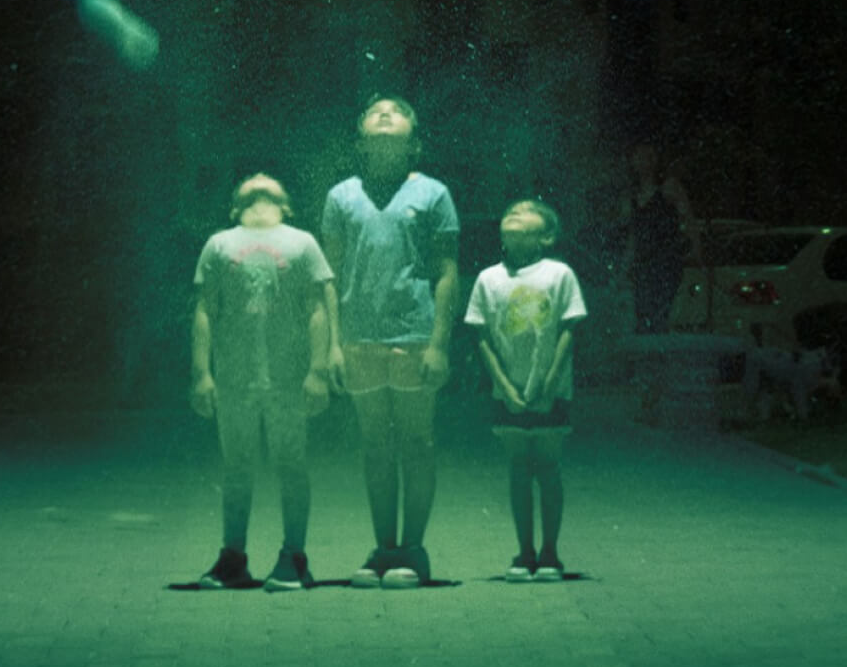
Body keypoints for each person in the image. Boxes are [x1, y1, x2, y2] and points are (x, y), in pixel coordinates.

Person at [320, 95, 459, 588]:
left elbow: (446, 271)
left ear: (414, 142)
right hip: (359, 340)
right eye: (375, 111)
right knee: (375, 445)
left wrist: (440, 342)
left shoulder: (433, 193)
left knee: (416, 443)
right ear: (360, 140)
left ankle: (413, 550)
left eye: (398, 111)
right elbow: (329, 276)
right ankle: (384, 548)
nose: (385, 112)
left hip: (414, 336)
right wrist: (331, 345)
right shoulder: (341, 197)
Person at [190, 174, 336, 591]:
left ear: (287, 205)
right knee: (237, 468)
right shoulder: (219, 243)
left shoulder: (302, 242)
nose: (258, 182)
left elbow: (317, 309)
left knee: (291, 465)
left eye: (269, 185)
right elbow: (204, 309)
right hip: (235, 378)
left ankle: (295, 556)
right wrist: (202, 373)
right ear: (233, 207)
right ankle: (232, 557)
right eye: (247, 186)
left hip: (287, 378)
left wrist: (318, 370)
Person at [467, 199, 588, 583]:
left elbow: (569, 329)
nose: (514, 213)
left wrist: (550, 382)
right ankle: (524, 551)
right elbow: (482, 335)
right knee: (518, 469)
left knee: (548, 467)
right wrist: (503, 386)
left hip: (551, 390)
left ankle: (550, 552)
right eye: (509, 212)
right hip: (509, 391)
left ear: (547, 235)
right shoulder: (489, 278)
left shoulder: (559, 273)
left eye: (526, 211)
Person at [618, 142, 694, 334]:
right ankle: (649, 359)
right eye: (638, 155)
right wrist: (624, 269)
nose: (643, 160)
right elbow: (632, 238)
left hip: (666, 264)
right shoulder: (632, 198)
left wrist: (694, 253)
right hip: (643, 267)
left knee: (661, 315)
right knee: (643, 317)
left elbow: (689, 222)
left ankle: (660, 356)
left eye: (648, 155)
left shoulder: (669, 189)